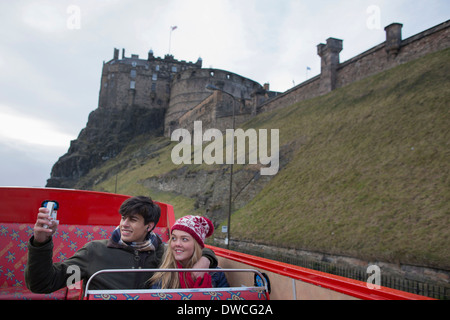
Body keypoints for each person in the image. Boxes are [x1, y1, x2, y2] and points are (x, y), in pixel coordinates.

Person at [25, 196, 217, 293]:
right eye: (123, 218)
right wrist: (41, 242)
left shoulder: (164, 253)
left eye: (133, 220)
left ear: (149, 226)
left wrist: (206, 259)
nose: (124, 224)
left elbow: (195, 246)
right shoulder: (94, 251)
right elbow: (43, 283)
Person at [149, 215, 228, 289]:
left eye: (184, 239)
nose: (177, 244)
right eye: (174, 238)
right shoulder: (163, 276)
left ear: (196, 245)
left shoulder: (216, 275)